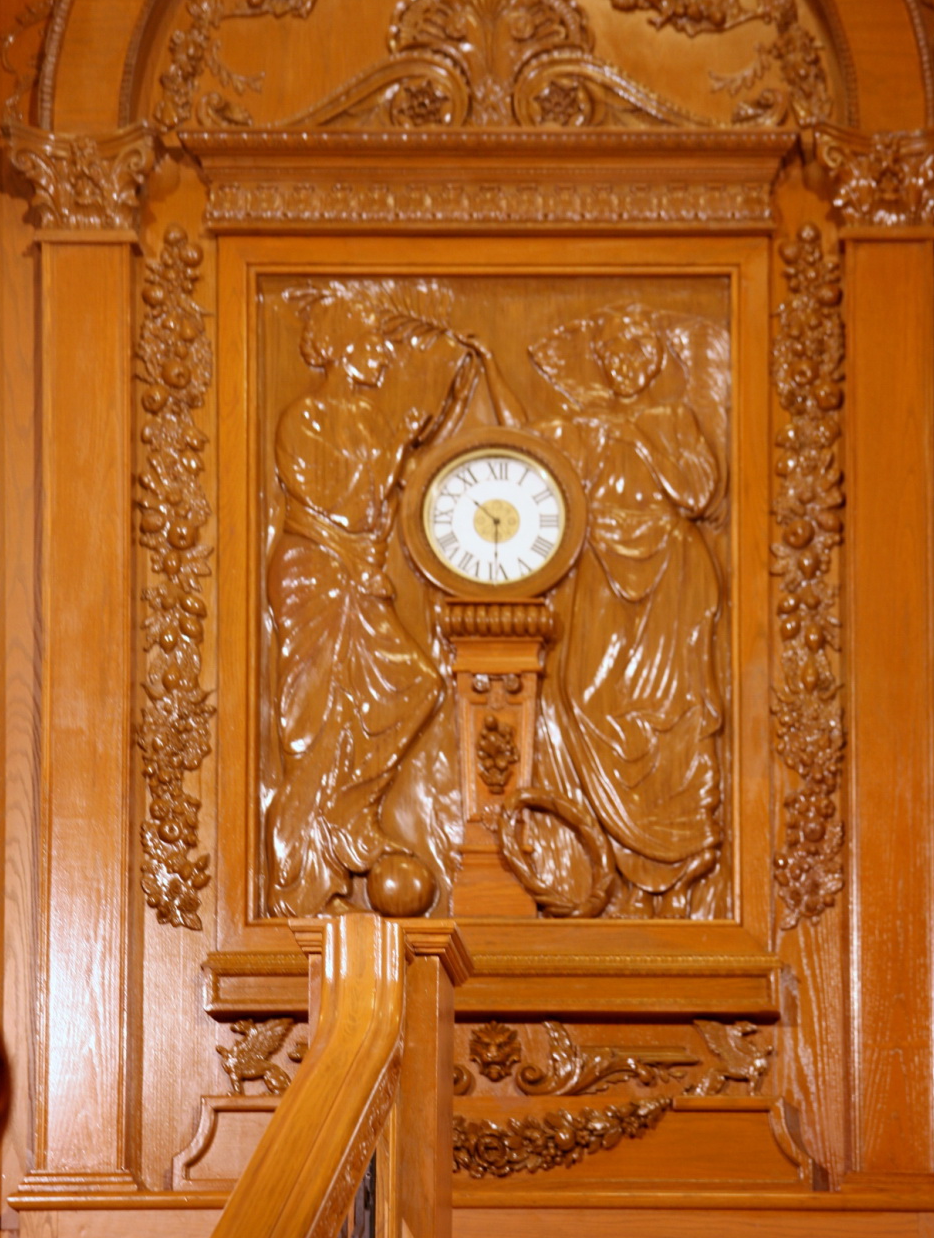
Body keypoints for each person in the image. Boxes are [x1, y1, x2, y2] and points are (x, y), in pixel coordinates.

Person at [264, 282, 488, 916]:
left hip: (359, 576)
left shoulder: (374, 419)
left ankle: (347, 812)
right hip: (316, 574)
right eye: (368, 346)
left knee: (416, 685)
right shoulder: (303, 420)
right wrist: (359, 555)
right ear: (336, 350)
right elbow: (344, 500)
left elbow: (408, 428)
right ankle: (306, 856)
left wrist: (446, 364)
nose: (380, 358)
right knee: (314, 715)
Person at [529, 305, 728, 915]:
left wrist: (636, 435)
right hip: (598, 570)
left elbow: (698, 493)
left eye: (635, 354)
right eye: (612, 354)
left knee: (671, 709)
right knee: (584, 695)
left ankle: (676, 850)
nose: (624, 366)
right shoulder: (580, 424)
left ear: (652, 361)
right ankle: (598, 861)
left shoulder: (672, 418)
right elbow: (542, 488)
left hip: (670, 569)